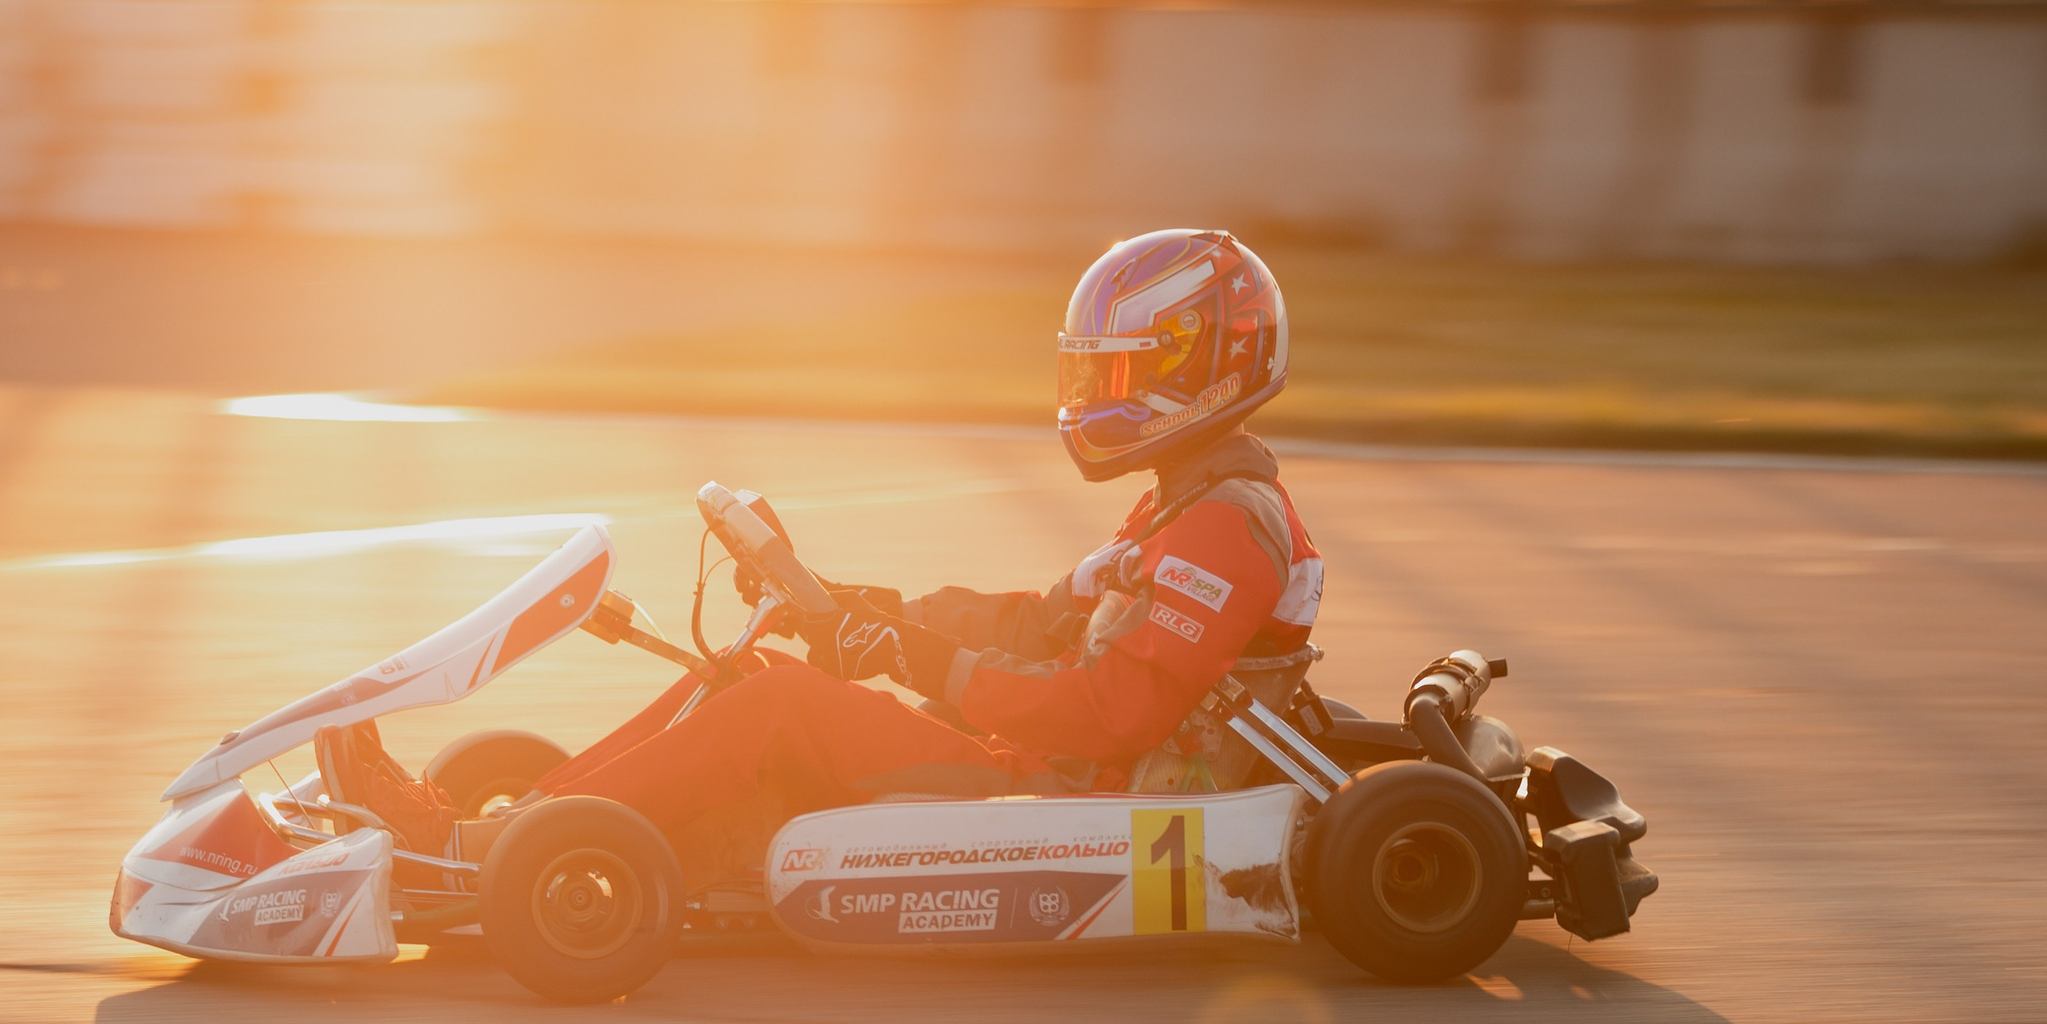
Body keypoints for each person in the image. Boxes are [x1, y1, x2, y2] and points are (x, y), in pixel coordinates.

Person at [340, 229, 1323, 876]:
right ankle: (516, 827)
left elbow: (1108, 715)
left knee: (775, 705)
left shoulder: (1226, 529)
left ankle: (486, 851)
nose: (1097, 390)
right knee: (752, 673)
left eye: (1121, 370)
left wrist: (909, 658)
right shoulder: (1179, 506)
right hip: (1051, 768)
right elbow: (1037, 621)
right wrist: (861, 610)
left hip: (1078, 806)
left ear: (1202, 364)